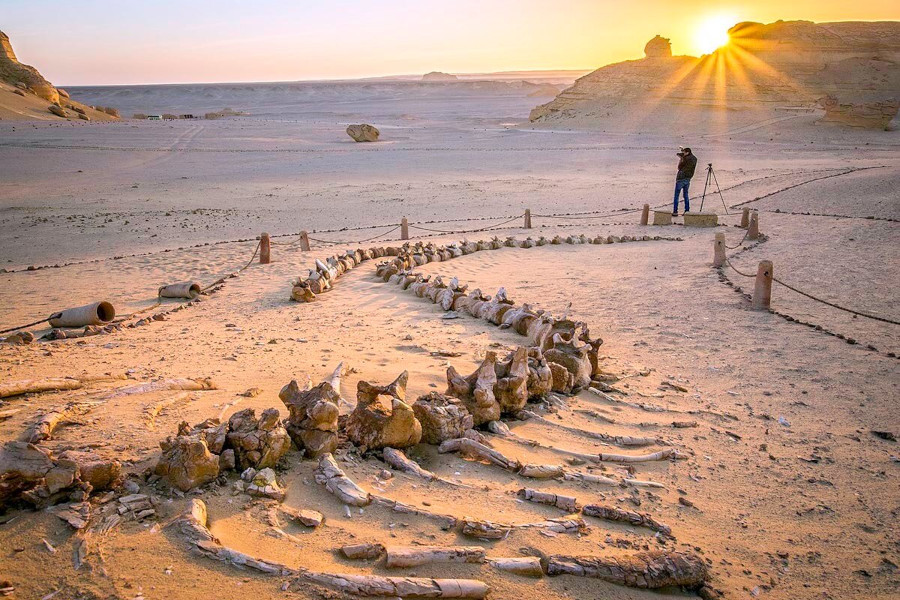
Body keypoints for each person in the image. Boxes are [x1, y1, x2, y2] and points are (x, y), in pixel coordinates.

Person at [673, 147, 697, 216]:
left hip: (681, 178)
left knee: (676, 196)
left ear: (687, 152)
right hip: (688, 178)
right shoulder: (694, 158)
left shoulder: (685, 158)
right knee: (686, 195)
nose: (683, 153)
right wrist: (682, 151)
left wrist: (681, 159)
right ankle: (687, 210)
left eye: (684, 152)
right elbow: (680, 154)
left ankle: (675, 211)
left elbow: (679, 167)